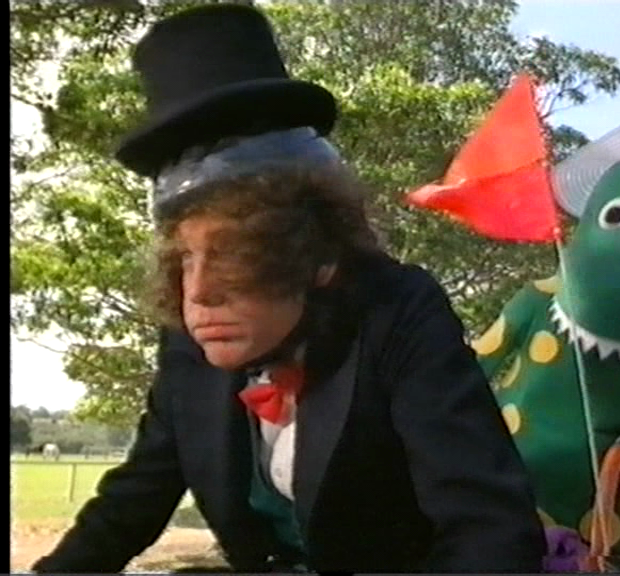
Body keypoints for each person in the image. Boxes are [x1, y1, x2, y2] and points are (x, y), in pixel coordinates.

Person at [31, 4, 546, 573]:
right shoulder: (188, 344)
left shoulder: (398, 310)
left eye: (233, 253)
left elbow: (490, 531)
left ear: (317, 254)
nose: (197, 294)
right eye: (184, 258)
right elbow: (131, 503)